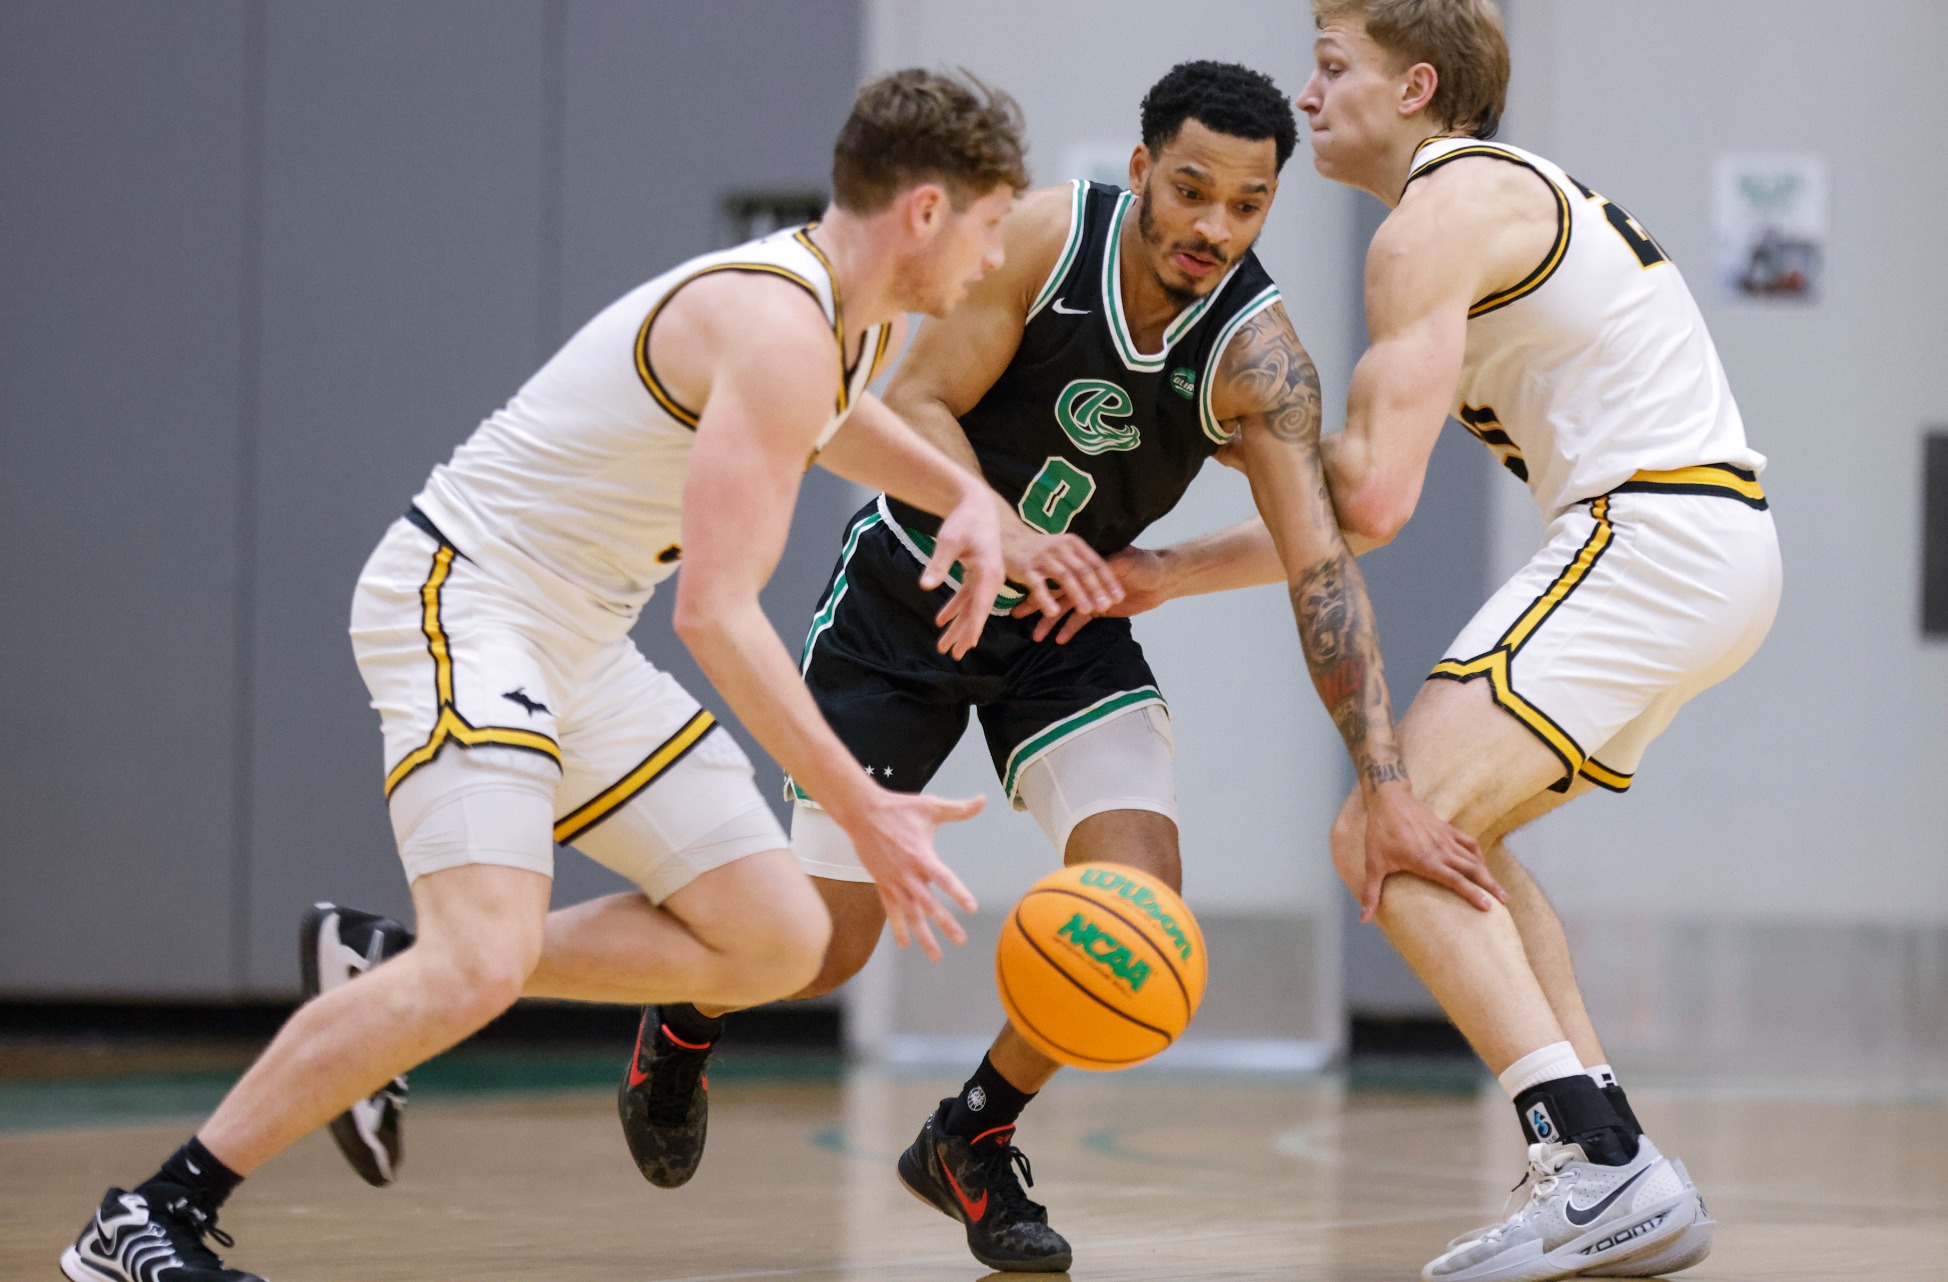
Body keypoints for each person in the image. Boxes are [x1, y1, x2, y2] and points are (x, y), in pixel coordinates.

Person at [60, 69, 1117, 1282]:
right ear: (926, 211)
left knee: (774, 938)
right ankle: (149, 1217)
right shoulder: (778, 325)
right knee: (480, 960)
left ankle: (395, 963)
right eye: (989, 224)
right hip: (466, 600)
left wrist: (968, 498)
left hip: (573, 634)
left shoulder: (844, 316)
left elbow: (830, 418)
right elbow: (714, 617)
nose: (994, 256)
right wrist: (862, 806)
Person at [615, 60, 1479, 1275]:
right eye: (1191, 190)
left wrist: (1382, 779)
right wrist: (1006, 529)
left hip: (1063, 631)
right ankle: (686, 1014)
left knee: (1136, 900)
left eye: (1246, 205)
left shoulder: (1259, 358)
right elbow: (917, 401)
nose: (1213, 226)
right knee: (823, 946)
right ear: (1140, 171)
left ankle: (972, 1133)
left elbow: (1321, 567)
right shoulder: (1043, 238)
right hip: (911, 593)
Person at [1097, 3, 1781, 1279]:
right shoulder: (1490, 199)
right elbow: (1356, 508)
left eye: (1331, 66)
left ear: (1414, 87)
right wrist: (1174, 566)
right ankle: (1612, 1158)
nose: (1306, 96)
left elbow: (1365, 497)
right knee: (1457, 840)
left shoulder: (1436, 215)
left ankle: (1595, 1169)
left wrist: (1212, 424)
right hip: (1699, 547)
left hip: (1649, 535)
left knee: (1384, 830)